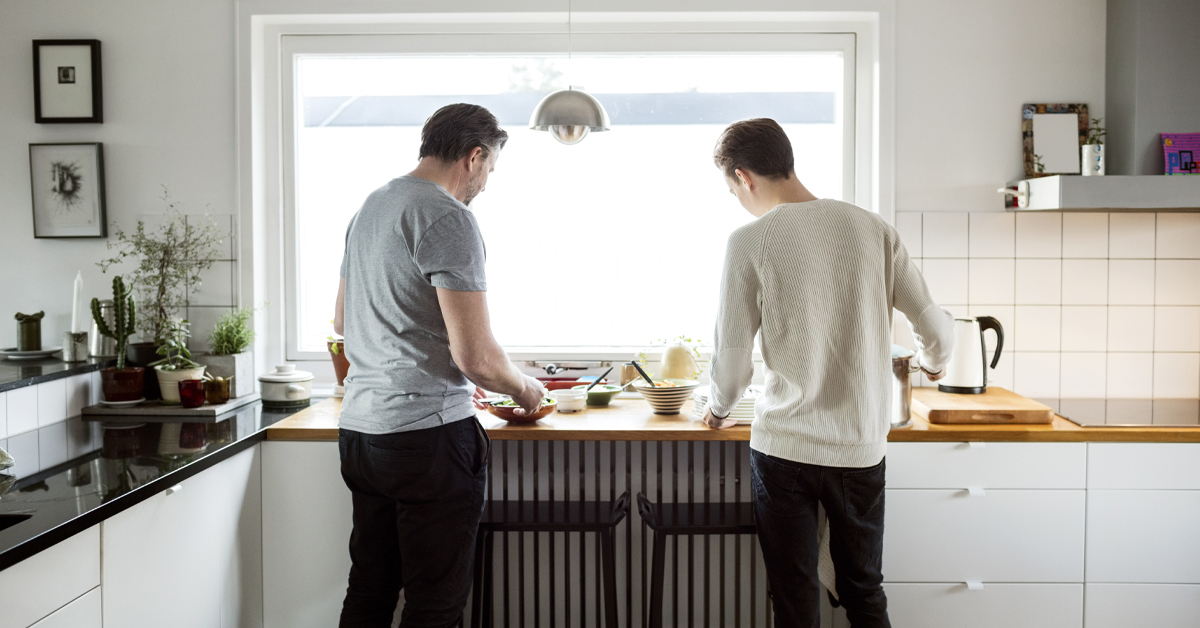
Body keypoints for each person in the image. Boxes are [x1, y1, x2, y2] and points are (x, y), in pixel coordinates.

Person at [700, 118, 955, 627]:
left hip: (784, 449)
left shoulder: (751, 240)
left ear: (744, 176)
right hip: (860, 445)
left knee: (794, 595)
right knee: (864, 589)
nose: (738, 198)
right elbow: (936, 327)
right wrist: (932, 363)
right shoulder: (873, 228)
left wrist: (718, 408)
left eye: (732, 189)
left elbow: (732, 356)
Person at [332, 103, 547, 628]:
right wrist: (526, 390)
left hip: (362, 433)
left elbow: (341, 319)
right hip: (427, 438)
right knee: (434, 602)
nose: (486, 183)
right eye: (491, 169)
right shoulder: (448, 216)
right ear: (474, 157)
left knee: (370, 588)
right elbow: (475, 357)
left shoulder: (372, 205)